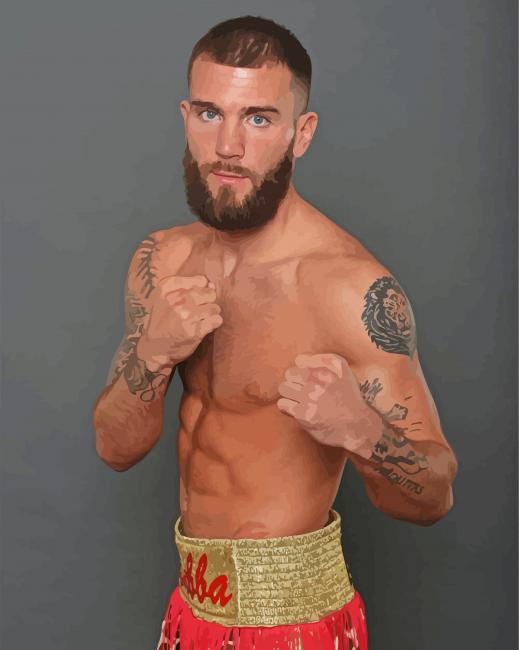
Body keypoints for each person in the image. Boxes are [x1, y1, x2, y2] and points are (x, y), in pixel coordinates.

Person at [92, 15, 459, 650]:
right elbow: (114, 448)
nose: (228, 145)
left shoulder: (349, 289)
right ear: (185, 116)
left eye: (258, 119)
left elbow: (434, 497)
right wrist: (152, 354)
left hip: (297, 625)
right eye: (210, 113)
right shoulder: (161, 260)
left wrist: (363, 430)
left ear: (301, 133)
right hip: (188, 611)